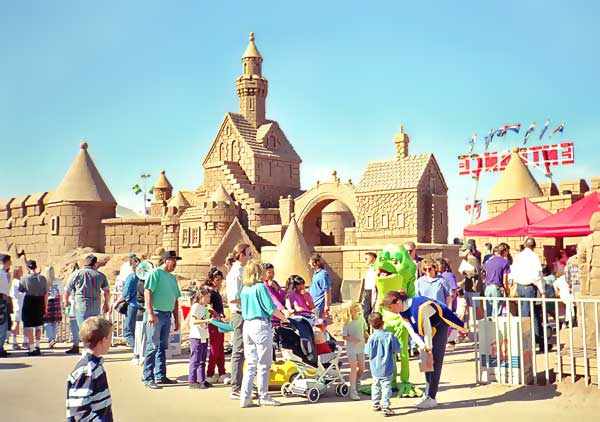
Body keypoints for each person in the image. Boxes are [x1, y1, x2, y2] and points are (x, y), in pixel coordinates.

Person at [382, 290, 466, 409]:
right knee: (425, 361)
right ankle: (427, 393)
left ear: (398, 302)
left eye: (391, 307)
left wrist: (429, 349)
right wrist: (423, 347)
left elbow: (427, 330)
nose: (391, 311)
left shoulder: (420, 307)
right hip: (425, 331)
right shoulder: (402, 313)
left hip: (439, 325)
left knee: (435, 360)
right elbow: (412, 331)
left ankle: (431, 397)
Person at [239, 260, 289, 408]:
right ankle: (264, 396)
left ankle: (245, 397)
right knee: (264, 364)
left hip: (247, 325)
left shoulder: (245, 289)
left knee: (251, 363)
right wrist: (285, 319)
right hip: (260, 325)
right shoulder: (260, 287)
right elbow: (270, 308)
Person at [143, 251, 182, 389]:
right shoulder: (155, 273)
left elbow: (175, 299)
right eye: (173, 260)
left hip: (167, 315)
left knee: (162, 347)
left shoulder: (172, 278)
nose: (175, 263)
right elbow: (148, 292)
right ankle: (148, 378)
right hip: (156, 314)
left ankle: (161, 376)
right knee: (152, 346)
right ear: (165, 260)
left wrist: (177, 319)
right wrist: (150, 313)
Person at [66, 316, 113, 421]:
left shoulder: (95, 364)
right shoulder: (87, 370)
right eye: (110, 337)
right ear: (104, 340)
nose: (111, 341)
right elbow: (79, 411)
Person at [511, 237, 548, 352]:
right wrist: (542, 291)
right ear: (534, 246)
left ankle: (540, 341)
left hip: (520, 286)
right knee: (528, 315)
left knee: (529, 314)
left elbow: (513, 272)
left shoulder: (518, 256)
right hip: (530, 287)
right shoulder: (534, 257)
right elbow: (537, 275)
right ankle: (527, 343)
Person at [226, 243, 252, 399]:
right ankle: (236, 387)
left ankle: (243, 383)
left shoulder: (242, 271)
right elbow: (234, 298)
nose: (250, 257)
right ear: (241, 255)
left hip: (245, 313)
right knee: (239, 350)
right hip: (239, 313)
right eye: (248, 254)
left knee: (246, 350)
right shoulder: (236, 273)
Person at [364, 312, 400, 417]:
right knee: (386, 386)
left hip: (375, 367)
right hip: (387, 366)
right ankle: (385, 405)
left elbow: (367, 352)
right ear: (383, 322)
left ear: (371, 325)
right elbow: (397, 349)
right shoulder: (390, 336)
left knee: (375, 385)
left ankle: (375, 403)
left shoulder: (371, 338)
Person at [64, 255, 110, 329]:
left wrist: (66, 301)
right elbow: (107, 291)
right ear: (95, 264)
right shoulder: (100, 275)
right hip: (95, 307)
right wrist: (106, 303)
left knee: (84, 330)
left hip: (81, 306)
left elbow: (67, 290)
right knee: (94, 330)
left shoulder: (76, 274)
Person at [112, 256, 141, 362]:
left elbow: (125, 294)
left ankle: (137, 352)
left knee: (128, 331)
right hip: (142, 307)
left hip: (133, 306)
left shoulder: (131, 277)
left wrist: (116, 303)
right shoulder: (144, 278)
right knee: (139, 331)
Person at [340, 301, 367, 401]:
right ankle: (353, 389)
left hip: (361, 346)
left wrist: (367, 336)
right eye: (354, 307)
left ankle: (356, 380)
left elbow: (364, 329)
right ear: (349, 311)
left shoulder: (361, 317)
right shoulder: (347, 322)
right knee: (353, 367)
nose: (357, 307)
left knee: (362, 367)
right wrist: (352, 339)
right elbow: (344, 336)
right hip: (351, 347)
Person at [20, 260, 48, 356]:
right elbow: (45, 294)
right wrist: (46, 307)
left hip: (29, 301)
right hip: (40, 301)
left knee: (29, 326)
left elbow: (21, 289)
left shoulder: (24, 278)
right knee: (38, 325)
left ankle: (31, 349)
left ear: (28, 268)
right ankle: (37, 346)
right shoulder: (43, 278)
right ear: (36, 267)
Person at [204, 267, 227, 383]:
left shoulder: (216, 291)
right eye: (217, 279)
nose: (219, 282)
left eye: (220, 279)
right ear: (211, 279)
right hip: (214, 323)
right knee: (214, 348)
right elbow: (209, 308)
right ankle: (210, 373)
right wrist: (218, 316)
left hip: (220, 322)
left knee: (220, 348)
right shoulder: (210, 292)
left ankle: (222, 372)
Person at [189, 286, 212, 389]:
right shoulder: (196, 306)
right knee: (195, 359)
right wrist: (206, 321)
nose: (208, 299)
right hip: (196, 336)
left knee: (202, 359)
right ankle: (192, 381)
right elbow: (194, 321)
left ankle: (201, 379)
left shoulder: (205, 308)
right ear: (201, 296)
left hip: (204, 336)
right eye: (207, 296)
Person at [484, 244, 511, 317]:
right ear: (504, 251)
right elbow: (505, 280)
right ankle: (496, 328)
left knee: (488, 313)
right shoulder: (505, 262)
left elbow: (486, 274)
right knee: (496, 314)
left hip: (488, 288)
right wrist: (507, 291)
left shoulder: (489, 261)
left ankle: (489, 328)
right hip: (497, 288)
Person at [458, 243, 483, 323]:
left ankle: (483, 322)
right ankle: (467, 324)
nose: (463, 252)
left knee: (476, 306)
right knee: (466, 306)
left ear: (469, 250)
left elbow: (476, 272)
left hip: (474, 287)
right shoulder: (466, 259)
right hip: (469, 286)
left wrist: (465, 271)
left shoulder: (473, 259)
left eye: (464, 250)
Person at [43, 266, 63, 348]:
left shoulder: (44, 281)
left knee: (47, 322)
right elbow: (61, 293)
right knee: (54, 322)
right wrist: (60, 303)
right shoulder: (58, 281)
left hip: (47, 302)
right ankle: (53, 338)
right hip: (56, 301)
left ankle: (50, 338)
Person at [64, 263, 81, 355]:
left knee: (74, 325)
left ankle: (76, 345)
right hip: (80, 303)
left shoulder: (73, 278)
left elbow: (68, 291)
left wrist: (66, 301)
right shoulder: (82, 277)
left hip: (75, 303)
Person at [308, 254, 331, 319]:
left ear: (314, 263)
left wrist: (326, 305)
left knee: (319, 323)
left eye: (310, 262)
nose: (309, 263)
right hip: (313, 303)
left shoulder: (323, 274)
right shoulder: (315, 274)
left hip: (319, 304)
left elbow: (326, 290)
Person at [9, 266, 27, 350]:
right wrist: (24, 294)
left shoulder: (19, 281)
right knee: (16, 323)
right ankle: (15, 342)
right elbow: (15, 294)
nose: (22, 272)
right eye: (20, 271)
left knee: (22, 323)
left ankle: (24, 340)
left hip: (21, 304)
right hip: (18, 305)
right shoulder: (16, 282)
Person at [0, 254, 12, 357]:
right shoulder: (2, 274)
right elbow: (4, 291)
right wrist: (7, 299)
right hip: (1, 301)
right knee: (2, 325)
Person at [362, 252, 378, 320]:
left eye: (367, 258)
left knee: (368, 312)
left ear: (373, 258)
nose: (365, 260)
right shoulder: (370, 268)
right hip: (368, 291)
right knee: (366, 313)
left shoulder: (376, 269)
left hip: (373, 291)